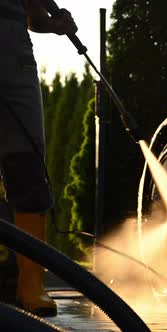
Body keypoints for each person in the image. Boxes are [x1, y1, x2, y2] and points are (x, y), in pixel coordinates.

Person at [0, 0, 77, 317]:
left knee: (28, 165)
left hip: (14, 52)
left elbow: (32, 16)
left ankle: (31, 285)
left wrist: (54, 24)